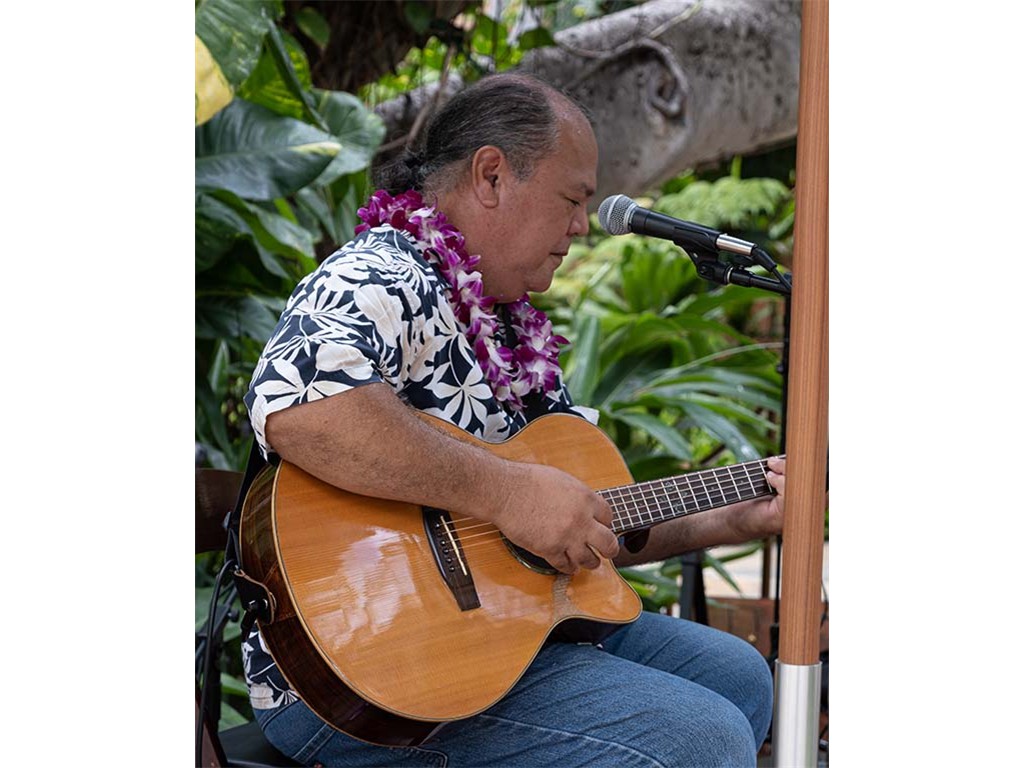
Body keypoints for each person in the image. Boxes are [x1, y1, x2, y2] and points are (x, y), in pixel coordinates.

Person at [241, 72, 787, 767]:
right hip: (362, 677)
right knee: (698, 736)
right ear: (492, 175)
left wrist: (732, 519)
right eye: (572, 198)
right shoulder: (384, 273)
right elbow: (301, 405)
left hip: (493, 644)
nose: (583, 225)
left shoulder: (509, 323)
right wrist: (504, 491)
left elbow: (574, 524)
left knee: (738, 678)